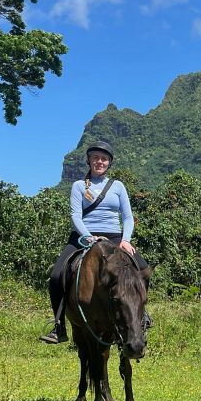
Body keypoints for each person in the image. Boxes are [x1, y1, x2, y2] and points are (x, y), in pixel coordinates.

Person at [40, 140, 151, 344]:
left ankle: (140, 315)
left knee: (143, 270)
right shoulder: (79, 186)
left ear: (109, 163)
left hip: (115, 236)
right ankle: (59, 326)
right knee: (56, 275)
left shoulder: (118, 186)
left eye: (104, 159)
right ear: (89, 161)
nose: (99, 162)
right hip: (83, 236)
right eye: (95, 158)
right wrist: (88, 237)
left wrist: (125, 240)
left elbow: (127, 217)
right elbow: (75, 216)